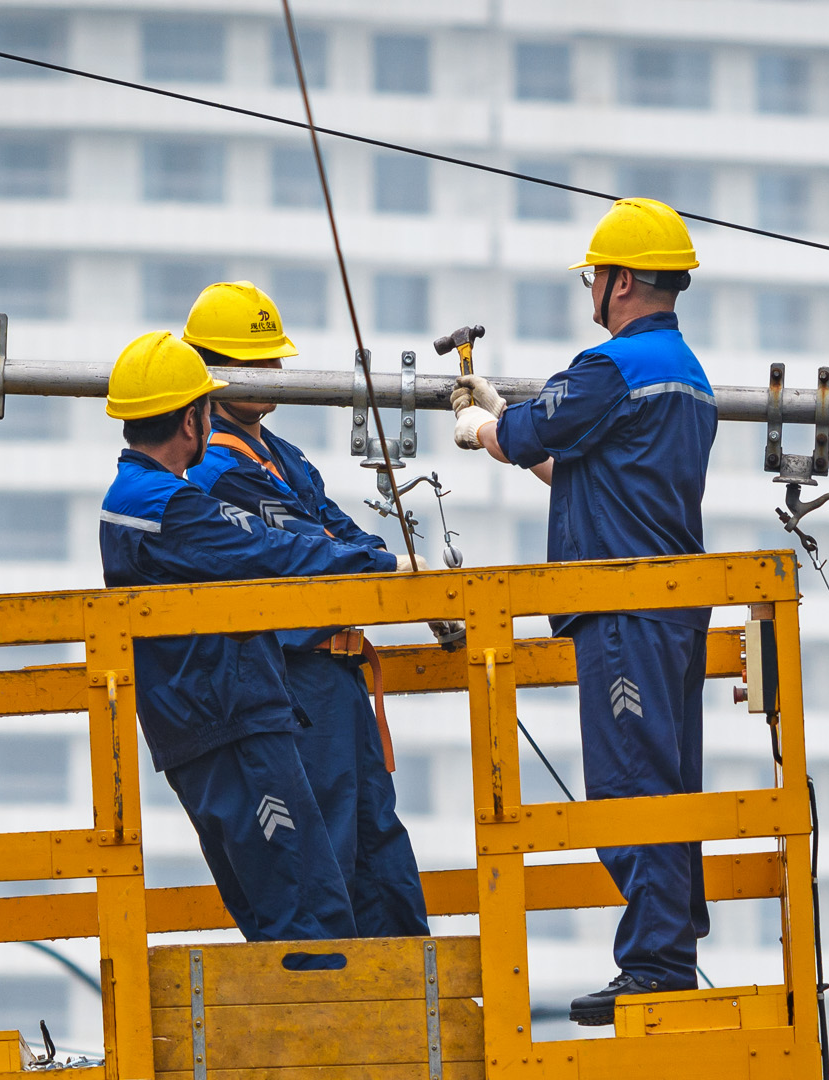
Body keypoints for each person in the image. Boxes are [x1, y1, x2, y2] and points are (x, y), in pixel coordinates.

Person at [450, 197, 718, 1025]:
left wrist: (480, 424)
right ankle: (666, 953)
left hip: (619, 611)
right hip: (670, 612)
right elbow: (581, 475)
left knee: (631, 786)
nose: (592, 291)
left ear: (622, 281)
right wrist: (507, 421)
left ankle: (654, 966)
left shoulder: (613, 368)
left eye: (596, 277)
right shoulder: (689, 378)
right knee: (669, 787)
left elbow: (532, 437)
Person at [97, 330, 415, 946]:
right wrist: (384, 568)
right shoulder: (167, 504)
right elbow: (270, 549)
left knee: (299, 900)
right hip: (230, 723)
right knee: (309, 910)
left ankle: (353, 1028)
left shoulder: (142, 496)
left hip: (212, 720)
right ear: (194, 418)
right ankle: (334, 1038)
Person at [178, 281, 430, 939]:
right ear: (208, 369)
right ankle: (345, 1015)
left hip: (333, 681)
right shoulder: (211, 470)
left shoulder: (284, 459)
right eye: (251, 362)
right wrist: (340, 554)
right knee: (326, 859)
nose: (271, 375)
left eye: (271, 360)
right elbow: (313, 550)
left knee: (379, 851)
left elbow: (353, 542)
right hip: (287, 681)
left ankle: (402, 1006)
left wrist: (343, 553)